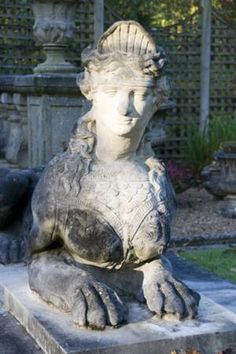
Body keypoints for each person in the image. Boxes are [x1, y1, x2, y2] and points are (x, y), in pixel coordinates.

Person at [28, 21, 200, 330]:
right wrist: (71, 284)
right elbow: (40, 259)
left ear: (156, 100)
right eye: (111, 91)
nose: (125, 107)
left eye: (139, 93)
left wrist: (155, 271)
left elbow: (147, 258)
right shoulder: (63, 180)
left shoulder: (156, 180)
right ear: (91, 93)